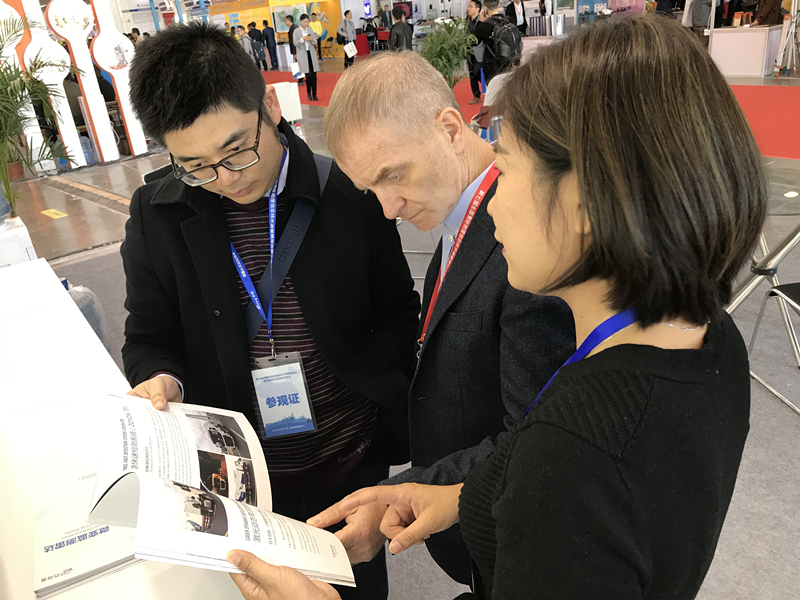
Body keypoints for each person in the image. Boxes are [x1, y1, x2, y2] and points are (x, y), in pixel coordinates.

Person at [226, 14, 767, 600]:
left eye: (506, 168)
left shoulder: (571, 458)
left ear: (584, 202)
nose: (492, 199)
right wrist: (461, 497)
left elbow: (559, 484)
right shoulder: (714, 343)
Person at [124, 21, 420, 600]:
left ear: (269, 105)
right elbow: (149, 335)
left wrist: (388, 422)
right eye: (195, 165)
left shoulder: (349, 190)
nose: (225, 179)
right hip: (238, 485)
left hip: (350, 462)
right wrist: (161, 379)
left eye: (237, 149)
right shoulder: (156, 214)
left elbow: (396, 311)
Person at [316, 50, 574, 586]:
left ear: (451, 129)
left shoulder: (525, 246)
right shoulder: (460, 217)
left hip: (510, 538)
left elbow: (535, 439)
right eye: (371, 189)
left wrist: (406, 494)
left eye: (394, 175)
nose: (388, 207)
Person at [473, 0, 522, 84]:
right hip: (509, 63)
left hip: (491, 66)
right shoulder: (510, 20)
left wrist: (480, 22)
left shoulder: (484, 26)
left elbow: (474, 42)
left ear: (485, 8)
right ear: (499, 5)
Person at [294, 14, 320, 101]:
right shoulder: (296, 31)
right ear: (300, 21)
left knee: (314, 75)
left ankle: (315, 94)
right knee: (308, 76)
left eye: (307, 22)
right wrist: (303, 39)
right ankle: (309, 92)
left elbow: (315, 41)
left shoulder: (310, 29)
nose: (306, 23)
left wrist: (311, 39)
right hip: (303, 56)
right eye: (304, 22)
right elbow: (295, 43)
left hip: (311, 54)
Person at [466, 0, 484, 105]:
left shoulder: (481, 21)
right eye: (468, 6)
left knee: (477, 73)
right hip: (469, 52)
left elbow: (480, 39)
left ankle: (492, 91)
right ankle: (476, 96)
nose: (468, 9)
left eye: (471, 6)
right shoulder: (467, 22)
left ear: (477, 8)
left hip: (478, 51)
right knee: (472, 74)